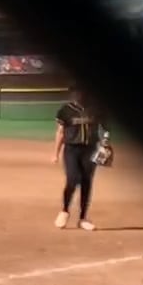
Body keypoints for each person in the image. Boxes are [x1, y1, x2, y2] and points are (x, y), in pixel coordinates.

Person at [54, 87, 106, 231]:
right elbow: (60, 132)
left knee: (86, 182)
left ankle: (83, 218)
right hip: (71, 149)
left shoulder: (96, 109)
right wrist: (56, 153)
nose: (80, 95)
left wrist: (105, 143)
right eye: (77, 92)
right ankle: (64, 211)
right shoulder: (66, 110)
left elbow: (105, 128)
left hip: (90, 149)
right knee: (72, 179)